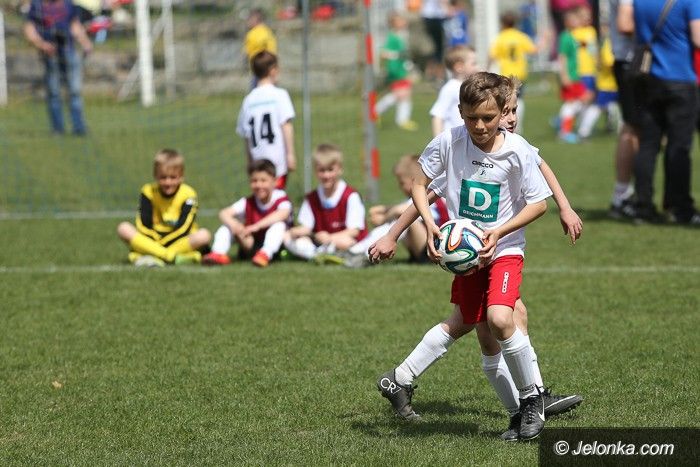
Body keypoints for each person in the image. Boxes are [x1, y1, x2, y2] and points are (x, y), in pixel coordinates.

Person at [374, 72, 579, 441]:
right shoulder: (450, 143)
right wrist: (428, 228)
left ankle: (532, 399)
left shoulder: (516, 150)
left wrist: (499, 232)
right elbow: (421, 185)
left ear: (503, 113)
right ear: (460, 113)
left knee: (501, 318)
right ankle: (519, 413)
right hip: (466, 256)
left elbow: (538, 203)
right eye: (472, 118)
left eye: (489, 118)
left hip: (504, 249)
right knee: (479, 329)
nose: (480, 126)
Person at [624, 0, 700, 224]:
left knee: (648, 145)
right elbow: (698, 38)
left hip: (648, 78)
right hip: (680, 77)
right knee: (679, 146)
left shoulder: (640, 2)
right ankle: (679, 207)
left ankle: (643, 205)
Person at [341, 154, 449, 268]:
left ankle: (361, 251)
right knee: (404, 218)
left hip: (436, 246)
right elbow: (406, 207)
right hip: (427, 244)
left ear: (414, 180)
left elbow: (403, 210)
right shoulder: (428, 194)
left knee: (405, 219)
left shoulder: (429, 195)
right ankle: (361, 250)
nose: (400, 187)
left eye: (402, 182)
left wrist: (384, 218)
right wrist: (384, 209)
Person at [116, 149, 211, 267]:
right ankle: (172, 257)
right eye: (163, 177)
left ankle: (148, 255)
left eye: (173, 177)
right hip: (153, 239)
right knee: (123, 228)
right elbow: (143, 225)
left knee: (204, 235)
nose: (168, 182)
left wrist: (158, 245)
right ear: (155, 176)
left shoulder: (188, 194)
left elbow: (184, 228)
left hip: (178, 240)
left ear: (181, 177)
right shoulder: (148, 191)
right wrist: (158, 243)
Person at [284, 143, 367, 261]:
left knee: (345, 242)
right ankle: (320, 255)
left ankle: (321, 254)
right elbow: (307, 227)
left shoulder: (350, 196)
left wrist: (330, 237)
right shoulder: (311, 198)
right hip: (320, 242)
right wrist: (295, 232)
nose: (326, 175)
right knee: (288, 238)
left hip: (345, 240)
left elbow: (354, 231)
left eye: (330, 170)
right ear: (316, 171)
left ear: (340, 169)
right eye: (322, 171)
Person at [203, 159, 292, 268]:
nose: (258, 185)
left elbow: (283, 214)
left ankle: (265, 254)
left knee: (279, 225)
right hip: (252, 244)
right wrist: (235, 225)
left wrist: (257, 226)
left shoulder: (281, 198)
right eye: (254, 181)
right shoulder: (248, 201)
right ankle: (218, 253)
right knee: (227, 226)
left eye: (263, 180)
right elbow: (223, 213)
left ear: (274, 181)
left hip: (278, 248)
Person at [24, 0, 93, 135]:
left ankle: (79, 128)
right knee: (54, 92)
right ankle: (57, 129)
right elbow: (29, 29)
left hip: (69, 51)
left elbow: (75, 25)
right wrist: (42, 44)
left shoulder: (68, 4)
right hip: (50, 54)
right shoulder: (37, 6)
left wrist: (85, 43)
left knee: (74, 91)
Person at [236, 51, 296, 189]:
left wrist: (249, 161)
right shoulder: (280, 95)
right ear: (273, 70)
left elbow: (246, 135)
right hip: (277, 160)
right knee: (276, 197)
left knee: (262, 196)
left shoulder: (248, 100)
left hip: (257, 160)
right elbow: (286, 125)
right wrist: (290, 155)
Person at [606, 0, 638, 218]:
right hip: (631, 61)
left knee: (639, 130)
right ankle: (623, 195)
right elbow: (625, 23)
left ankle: (631, 194)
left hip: (633, 61)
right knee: (633, 128)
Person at [488, 10, 537, 133]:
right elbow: (533, 50)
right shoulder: (520, 36)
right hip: (519, 73)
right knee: (519, 99)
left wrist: (487, 69)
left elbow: (492, 56)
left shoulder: (500, 38)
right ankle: (517, 125)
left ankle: (506, 124)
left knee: (504, 100)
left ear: (502, 23)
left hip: (505, 74)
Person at [375, 11, 418, 131]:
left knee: (404, 94)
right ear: (393, 23)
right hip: (395, 70)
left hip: (401, 69)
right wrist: (396, 56)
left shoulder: (400, 36)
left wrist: (408, 66)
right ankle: (375, 111)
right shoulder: (392, 37)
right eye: (401, 20)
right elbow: (383, 53)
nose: (404, 22)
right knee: (401, 94)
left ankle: (402, 120)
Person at [577, 28, 620, 139]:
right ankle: (583, 131)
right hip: (607, 84)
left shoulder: (614, 40)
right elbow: (609, 62)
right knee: (598, 107)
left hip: (614, 84)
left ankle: (618, 129)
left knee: (616, 107)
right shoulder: (610, 42)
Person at [556, 8, 590, 143]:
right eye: (574, 20)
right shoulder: (565, 37)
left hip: (575, 75)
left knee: (579, 101)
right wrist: (564, 76)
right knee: (573, 103)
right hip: (570, 76)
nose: (577, 22)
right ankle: (564, 132)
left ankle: (564, 126)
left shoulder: (571, 36)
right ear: (567, 22)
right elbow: (562, 57)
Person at [430, 45, 479, 136]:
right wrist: (438, 141)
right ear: (459, 67)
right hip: (454, 140)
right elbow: (438, 115)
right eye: (474, 64)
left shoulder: (469, 86)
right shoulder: (451, 88)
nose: (477, 67)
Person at [571, 5, 600, 139]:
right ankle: (567, 119)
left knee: (588, 99)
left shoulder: (591, 31)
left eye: (589, 16)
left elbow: (593, 50)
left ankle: (579, 124)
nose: (587, 19)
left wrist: (597, 63)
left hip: (591, 70)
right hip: (582, 71)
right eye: (584, 16)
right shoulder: (574, 33)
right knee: (584, 98)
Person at [421, 0, 450, 82]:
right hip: (435, 18)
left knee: (434, 48)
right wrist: (447, 9)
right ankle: (437, 74)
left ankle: (431, 73)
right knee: (438, 49)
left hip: (428, 16)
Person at [244, 8, 277, 78]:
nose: (248, 21)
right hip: (258, 69)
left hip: (263, 68)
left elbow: (271, 52)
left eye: (249, 19)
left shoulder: (262, 33)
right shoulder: (254, 33)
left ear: (255, 19)